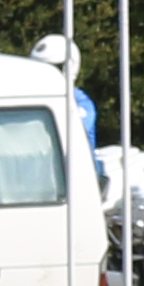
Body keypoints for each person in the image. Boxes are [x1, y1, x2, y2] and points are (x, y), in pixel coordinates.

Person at [30, 35, 105, 185]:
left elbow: (70, 130)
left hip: (81, 178)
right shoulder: (32, 98)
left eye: (53, 68)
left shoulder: (80, 102)